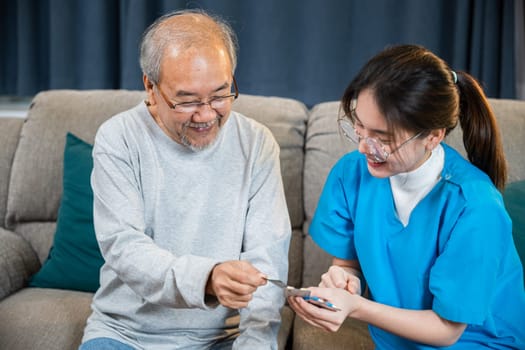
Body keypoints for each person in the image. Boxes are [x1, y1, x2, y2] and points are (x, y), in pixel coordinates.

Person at [79, 9, 291, 350]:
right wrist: (206, 278)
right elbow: (124, 247)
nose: (206, 114)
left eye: (220, 95)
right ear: (150, 86)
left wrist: (254, 342)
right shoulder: (119, 138)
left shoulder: (257, 144)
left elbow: (265, 265)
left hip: (225, 337)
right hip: (127, 335)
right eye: (188, 100)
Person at [288, 44, 525, 349]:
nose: (364, 147)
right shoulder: (351, 174)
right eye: (359, 128)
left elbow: (447, 330)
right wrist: (345, 280)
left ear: (433, 136)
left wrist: (357, 307)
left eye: (383, 139)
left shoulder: (476, 206)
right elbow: (347, 263)